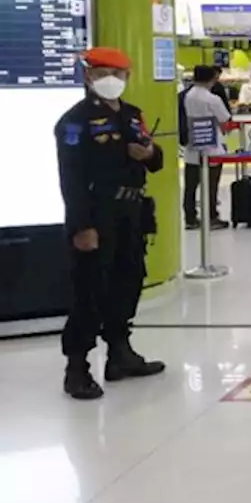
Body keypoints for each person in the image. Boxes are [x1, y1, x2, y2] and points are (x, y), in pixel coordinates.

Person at [54, 47, 167, 400]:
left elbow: (157, 160)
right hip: (96, 215)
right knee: (90, 290)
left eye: (119, 74)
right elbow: (70, 179)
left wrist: (148, 154)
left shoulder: (133, 116)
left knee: (128, 280)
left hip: (131, 213)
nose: (112, 80)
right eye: (104, 73)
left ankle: (120, 353)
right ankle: (77, 368)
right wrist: (81, 227)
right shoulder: (75, 121)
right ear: (88, 76)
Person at [182, 65, 233, 230]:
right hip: (212, 147)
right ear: (212, 79)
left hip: (192, 145)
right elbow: (225, 120)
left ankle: (190, 217)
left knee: (191, 184)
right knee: (211, 184)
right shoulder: (213, 99)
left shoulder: (186, 96)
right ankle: (211, 216)